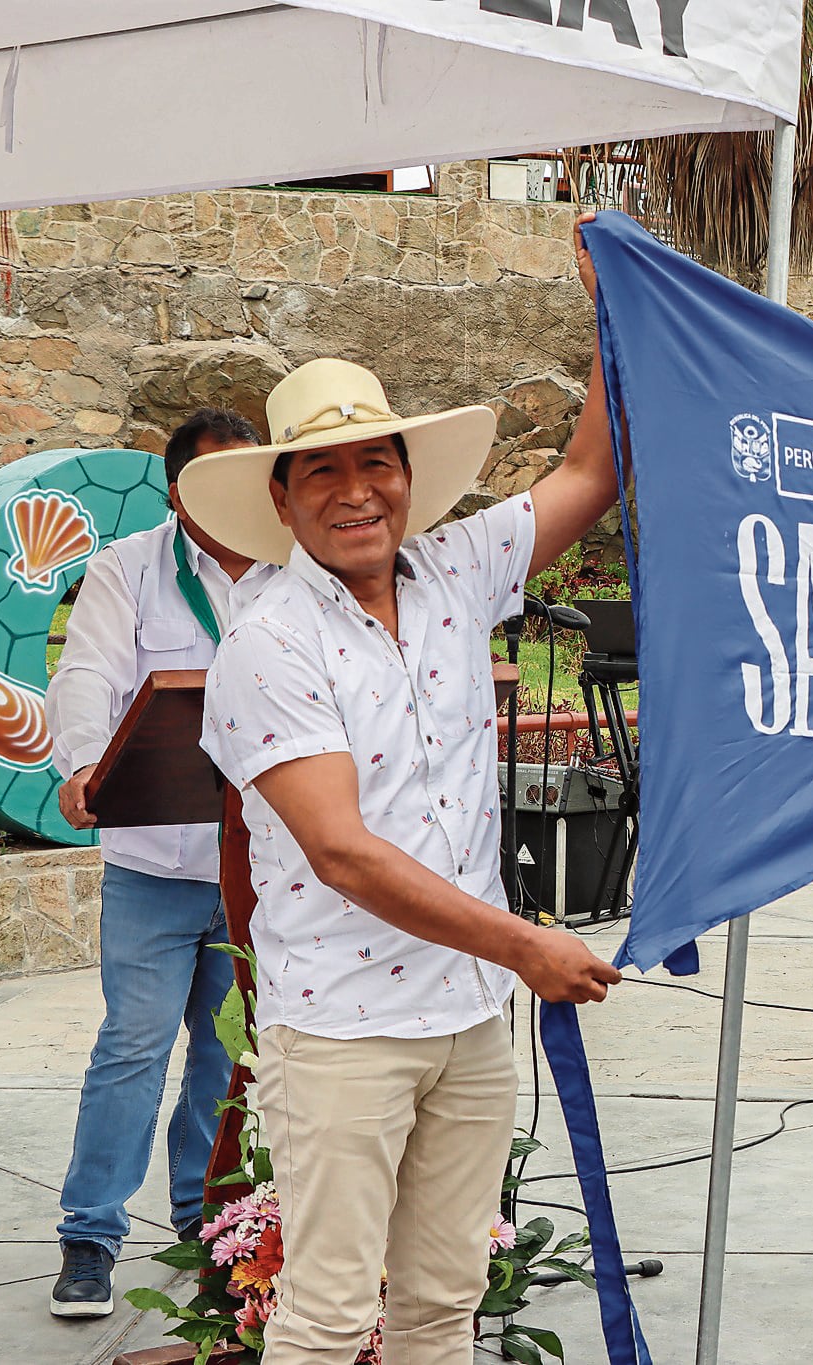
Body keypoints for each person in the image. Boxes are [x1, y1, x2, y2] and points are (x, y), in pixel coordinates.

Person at [181, 217, 622, 1365]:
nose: (354, 491)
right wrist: (525, 945)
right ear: (282, 500)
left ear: (408, 478)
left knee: (443, 1302)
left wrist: (613, 305)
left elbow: (589, 473)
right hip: (344, 1030)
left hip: (466, 1015)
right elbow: (341, 852)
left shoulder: (456, 570)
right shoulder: (270, 641)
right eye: (321, 470)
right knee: (328, 1314)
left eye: (374, 461)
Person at [46, 408, 282, 1316]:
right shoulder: (128, 569)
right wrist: (80, 764)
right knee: (132, 1049)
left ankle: (206, 1216)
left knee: (228, 1055)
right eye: (219, 481)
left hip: (258, 867)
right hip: (154, 863)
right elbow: (87, 676)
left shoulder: (293, 569)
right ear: (179, 494)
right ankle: (90, 1236)